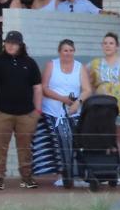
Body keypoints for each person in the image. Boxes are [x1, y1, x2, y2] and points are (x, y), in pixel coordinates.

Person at [0, 31, 43, 191]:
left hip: (26, 114)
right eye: (8, 42)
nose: (10, 45)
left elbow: (37, 88)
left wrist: (37, 111)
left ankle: (26, 177)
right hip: (1, 113)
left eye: (14, 43)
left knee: (25, 147)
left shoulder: (30, 63)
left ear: (20, 45)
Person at [35, 39, 91, 186]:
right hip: (53, 111)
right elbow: (45, 87)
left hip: (74, 111)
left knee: (76, 142)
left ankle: (78, 175)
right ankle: (63, 175)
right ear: (60, 51)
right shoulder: (51, 65)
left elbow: (87, 89)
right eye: (65, 50)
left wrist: (77, 102)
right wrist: (63, 99)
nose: (68, 53)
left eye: (71, 50)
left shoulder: (80, 67)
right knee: (60, 141)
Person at [88, 32, 120, 151]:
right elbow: (89, 83)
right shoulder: (95, 64)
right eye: (105, 43)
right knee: (104, 136)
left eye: (111, 43)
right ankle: (108, 166)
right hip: (101, 106)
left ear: (117, 46)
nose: (108, 46)